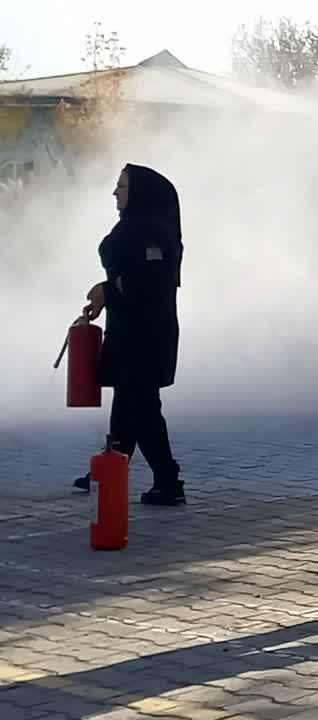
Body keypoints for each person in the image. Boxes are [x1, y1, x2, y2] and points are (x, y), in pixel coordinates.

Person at [73, 163, 185, 506]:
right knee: (128, 401)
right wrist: (105, 299)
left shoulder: (156, 234)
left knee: (143, 406)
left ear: (139, 193)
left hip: (147, 335)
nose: (115, 193)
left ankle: (168, 481)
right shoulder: (134, 226)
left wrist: (108, 290)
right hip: (129, 331)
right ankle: (111, 468)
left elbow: (152, 284)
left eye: (121, 187)